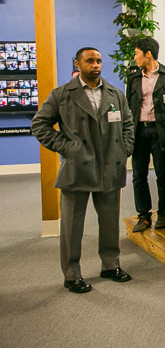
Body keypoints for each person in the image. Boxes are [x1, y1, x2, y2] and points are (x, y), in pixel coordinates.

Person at [31, 47, 135, 293]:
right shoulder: (62, 94)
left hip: (110, 167)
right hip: (77, 168)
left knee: (110, 222)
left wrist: (124, 150)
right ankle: (71, 274)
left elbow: (128, 125)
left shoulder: (115, 94)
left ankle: (110, 265)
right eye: (90, 61)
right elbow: (39, 124)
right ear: (78, 64)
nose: (96, 65)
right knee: (72, 225)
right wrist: (68, 148)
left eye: (98, 60)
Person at [127, 37, 165, 233]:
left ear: (148, 53)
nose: (134, 57)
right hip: (139, 132)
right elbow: (129, 108)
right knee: (138, 175)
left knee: (162, 174)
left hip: (162, 132)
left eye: (136, 53)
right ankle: (143, 215)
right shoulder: (133, 78)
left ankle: (163, 213)